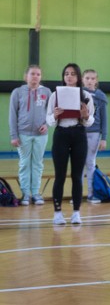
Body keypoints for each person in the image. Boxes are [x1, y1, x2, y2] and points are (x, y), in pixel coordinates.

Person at [46, 63, 95, 225]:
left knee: (77, 176)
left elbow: (90, 121)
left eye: (73, 73)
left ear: (78, 77)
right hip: (61, 134)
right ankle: (57, 213)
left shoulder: (86, 95)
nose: (69, 76)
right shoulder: (55, 95)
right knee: (59, 175)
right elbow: (49, 120)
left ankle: (76, 213)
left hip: (79, 134)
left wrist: (86, 115)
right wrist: (54, 115)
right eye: (66, 73)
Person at [8, 65, 50, 206]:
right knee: (25, 164)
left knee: (38, 163)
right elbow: (12, 115)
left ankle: (36, 193)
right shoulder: (17, 92)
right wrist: (14, 135)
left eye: (38, 74)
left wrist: (47, 125)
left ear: (41, 77)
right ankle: (25, 194)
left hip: (41, 135)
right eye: (32, 74)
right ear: (26, 76)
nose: (35, 77)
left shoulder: (47, 92)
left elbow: (51, 113)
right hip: (23, 134)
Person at [82, 69, 108, 203]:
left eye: (92, 78)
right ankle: (78, 194)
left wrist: (104, 138)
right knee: (79, 163)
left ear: (96, 80)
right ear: (82, 79)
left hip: (95, 133)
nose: (90, 81)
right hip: (80, 132)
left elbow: (104, 118)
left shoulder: (100, 96)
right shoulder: (78, 94)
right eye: (87, 78)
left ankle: (92, 194)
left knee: (90, 163)